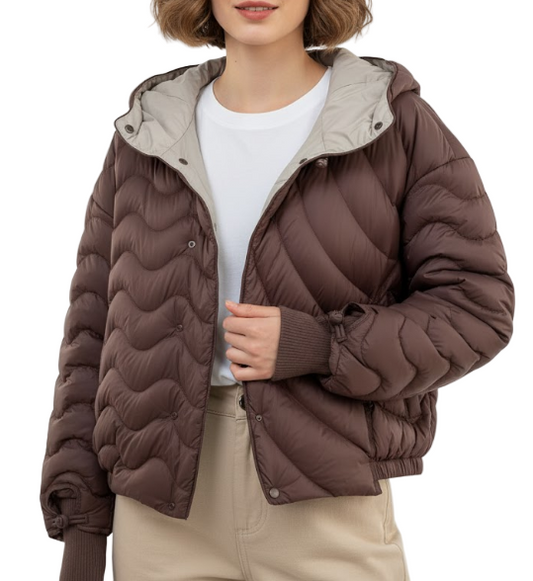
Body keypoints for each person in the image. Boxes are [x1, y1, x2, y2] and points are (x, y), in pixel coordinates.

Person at [39, 0, 515, 580]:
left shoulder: (390, 121)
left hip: (325, 506)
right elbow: (93, 337)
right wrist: (82, 530)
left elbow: (477, 307)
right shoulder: (150, 129)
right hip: (158, 514)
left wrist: (320, 345)